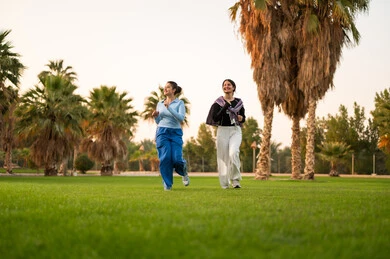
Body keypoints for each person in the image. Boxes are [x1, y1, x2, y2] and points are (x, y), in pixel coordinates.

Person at [206, 79, 246, 189]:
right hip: (222, 130)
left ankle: (236, 180)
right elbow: (215, 118)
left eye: (229, 85)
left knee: (234, 153)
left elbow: (243, 118)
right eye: (224, 85)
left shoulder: (239, 103)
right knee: (223, 158)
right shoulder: (218, 102)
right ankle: (224, 184)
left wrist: (241, 118)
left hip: (235, 130)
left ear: (233, 87)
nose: (226, 86)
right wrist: (225, 107)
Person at [152, 81, 189, 191]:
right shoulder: (160, 103)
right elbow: (159, 121)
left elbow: (181, 118)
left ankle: (184, 171)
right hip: (162, 132)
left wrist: (170, 108)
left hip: (175, 133)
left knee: (177, 159)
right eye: (165, 87)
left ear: (174, 90)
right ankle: (167, 184)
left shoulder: (179, 103)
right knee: (165, 158)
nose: (165, 89)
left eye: (168, 87)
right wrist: (155, 116)